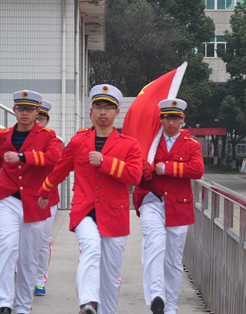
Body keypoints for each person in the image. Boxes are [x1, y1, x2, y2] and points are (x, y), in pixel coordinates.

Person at [37, 84, 142, 314]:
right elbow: (59, 170)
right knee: (91, 248)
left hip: (115, 214)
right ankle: (88, 302)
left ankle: (104, 310)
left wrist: (105, 162)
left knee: (111, 275)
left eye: (108, 107)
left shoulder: (129, 144)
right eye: (98, 106)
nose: (103, 112)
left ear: (116, 112)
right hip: (84, 209)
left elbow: (135, 175)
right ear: (91, 112)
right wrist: (44, 192)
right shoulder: (78, 141)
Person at [0, 90, 61, 314]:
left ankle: (23, 307)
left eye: (29, 109)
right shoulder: (3, 134)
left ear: (37, 112)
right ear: (14, 110)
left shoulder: (48, 136)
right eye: (20, 109)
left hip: (35, 201)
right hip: (6, 197)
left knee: (28, 256)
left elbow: (54, 158)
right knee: (6, 246)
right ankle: (2, 304)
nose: (24, 113)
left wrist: (24, 157)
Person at [133, 98, 204, 314]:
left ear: (182, 119)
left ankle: (171, 305)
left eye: (175, 117)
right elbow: (138, 166)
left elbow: (197, 170)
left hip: (178, 207)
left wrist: (168, 169)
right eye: (166, 117)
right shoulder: (149, 143)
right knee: (154, 246)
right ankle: (156, 296)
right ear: (160, 119)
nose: (170, 122)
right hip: (151, 200)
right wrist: (145, 169)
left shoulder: (192, 144)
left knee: (173, 259)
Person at [33, 99, 63, 297]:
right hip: (23, 197)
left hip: (47, 197)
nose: (38, 122)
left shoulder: (54, 141)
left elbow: (55, 165)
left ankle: (40, 279)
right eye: (36, 118)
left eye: (41, 118)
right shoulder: (18, 138)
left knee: (43, 240)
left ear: (46, 121)